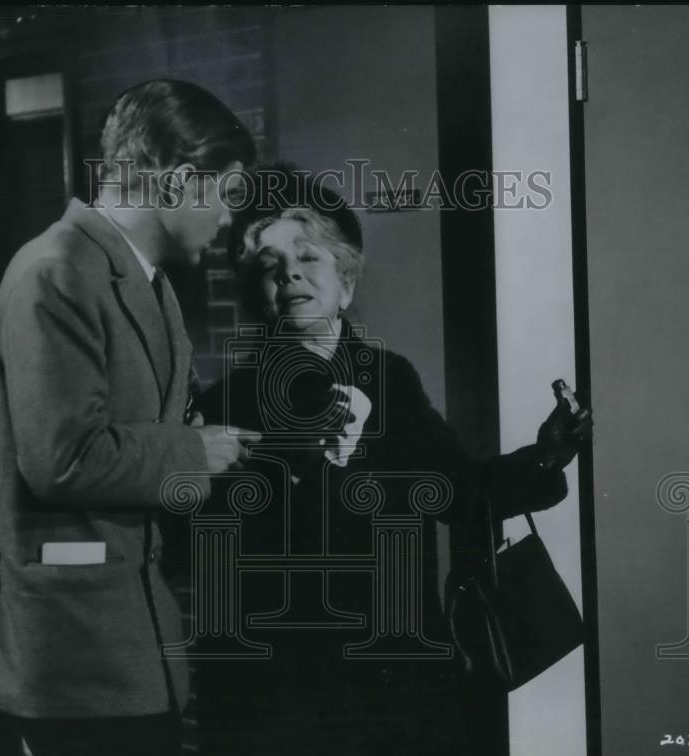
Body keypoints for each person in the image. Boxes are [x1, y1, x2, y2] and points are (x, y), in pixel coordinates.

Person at [194, 166, 591, 756]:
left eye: (309, 257)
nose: (290, 274)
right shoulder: (225, 402)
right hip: (281, 695)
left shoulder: (389, 378)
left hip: (399, 683)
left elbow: (458, 493)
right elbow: (219, 554)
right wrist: (311, 465)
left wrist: (547, 454)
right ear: (255, 292)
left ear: (346, 284)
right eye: (268, 266)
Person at [0, 80, 261, 756]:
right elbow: (64, 458)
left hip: (123, 641)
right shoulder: (57, 271)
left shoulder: (142, 279)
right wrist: (192, 452)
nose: (231, 219)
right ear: (179, 182)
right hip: (75, 649)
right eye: (228, 195)